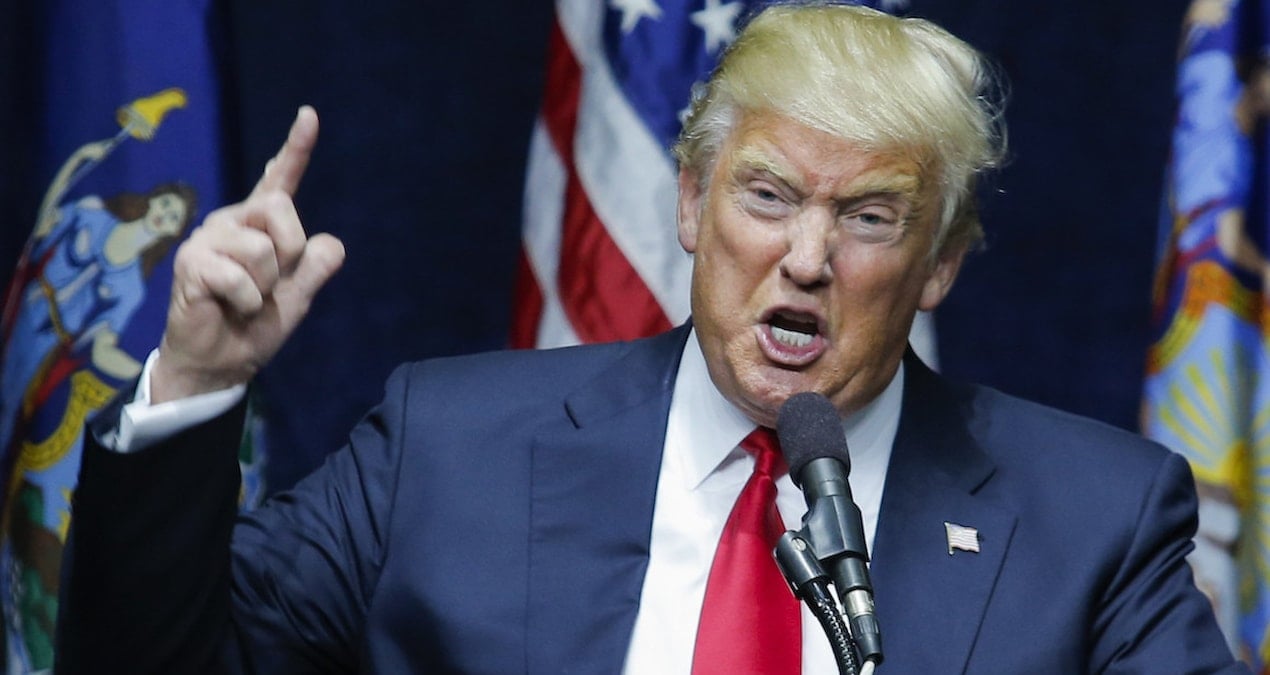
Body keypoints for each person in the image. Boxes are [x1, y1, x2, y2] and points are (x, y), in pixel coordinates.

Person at [56, 3, 1243, 673]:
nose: (806, 257)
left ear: (939, 262)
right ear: (689, 204)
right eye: (766, 196)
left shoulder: (1092, 520)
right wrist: (198, 381)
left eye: (869, 217)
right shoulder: (447, 449)